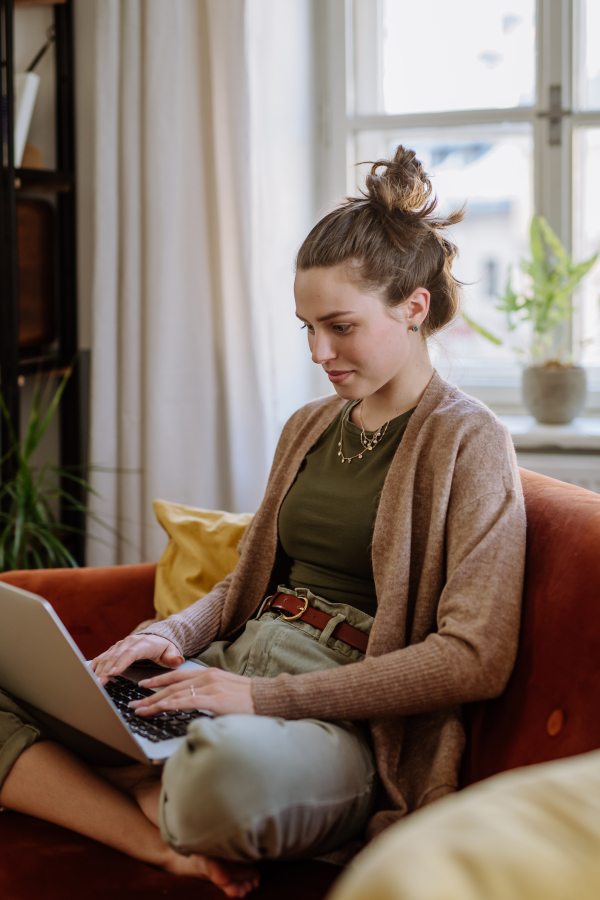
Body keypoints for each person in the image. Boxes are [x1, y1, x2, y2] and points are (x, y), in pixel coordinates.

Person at [0, 147, 526, 898]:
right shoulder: (309, 426)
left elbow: (475, 657)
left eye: (340, 326)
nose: (319, 352)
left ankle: (130, 783)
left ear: (414, 306)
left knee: (225, 778)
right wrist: (170, 634)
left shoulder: (470, 441)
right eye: (307, 328)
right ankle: (160, 837)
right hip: (223, 673)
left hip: (331, 724)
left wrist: (262, 701)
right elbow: (248, 579)